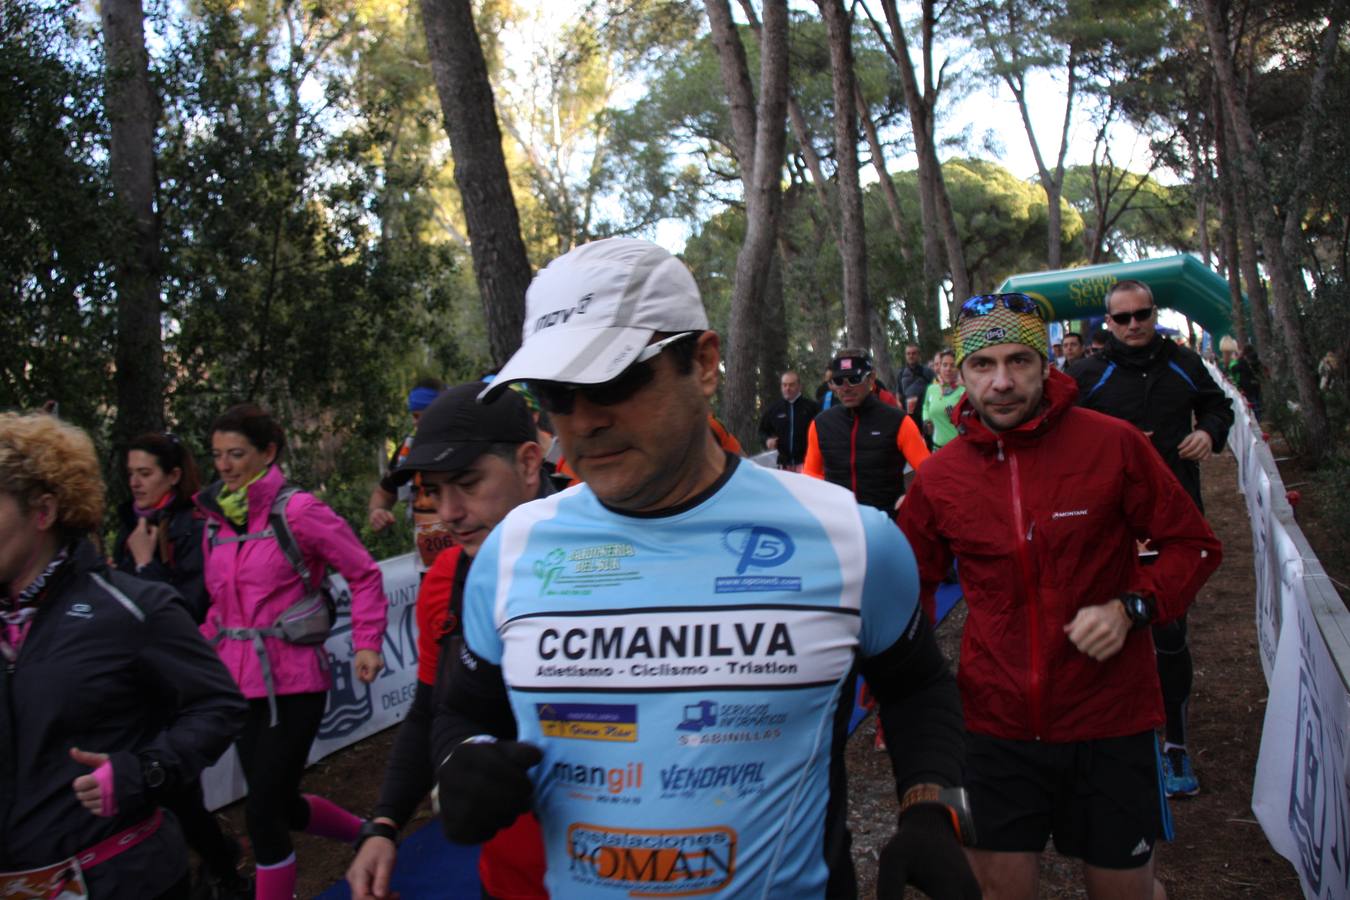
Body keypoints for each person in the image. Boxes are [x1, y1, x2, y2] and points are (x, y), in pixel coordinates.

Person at [430, 237, 977, 899]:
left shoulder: (851, 539)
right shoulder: (510, 552)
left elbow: (917, 686)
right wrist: (461, 763)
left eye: (613, 379)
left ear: (705, 362)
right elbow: (463, 710)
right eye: (555, 393)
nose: (584, 420)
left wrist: (930, 807)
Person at [897, 293, 1223, 900]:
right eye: (982, 365)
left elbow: (1194, 546)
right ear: (960, 373)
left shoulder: (1113, 444)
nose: (1001, 382)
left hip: (1110, 717)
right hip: (994, 725)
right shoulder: (941, 477)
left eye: (1019, 361)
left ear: (1046, 365)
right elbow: (908, 587)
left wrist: (1134, 607)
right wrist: (905, 694)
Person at [0, 412, 246, 900]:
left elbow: (219, 705)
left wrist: (146, 770)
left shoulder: (130, 608)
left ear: (43, 511)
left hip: (123, 879)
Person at [347, 383, 549, 900]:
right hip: (509, 879)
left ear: (529, 465)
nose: (449, 511)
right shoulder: (445, 579)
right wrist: (385, 823)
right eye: (434, 491)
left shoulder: (615, 556)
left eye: (467, 483)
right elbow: (430, 708)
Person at [197, 404, 389, 900]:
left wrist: (367, 642)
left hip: (295, 680)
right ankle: (366, 834)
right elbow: (220, 608)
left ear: (268, 453)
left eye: (236, 453)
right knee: (278, 802)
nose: (224, 465)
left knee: (261, 812)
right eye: (217, 455)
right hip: (237, 686)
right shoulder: (215, 522)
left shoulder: (299, 511)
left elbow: (364, 573)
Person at [1072, 280, 1234, 797]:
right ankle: (1110, 739)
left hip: (1171, 520)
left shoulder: (1184, 362)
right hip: (1105, 523)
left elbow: (1219, 406)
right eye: (1122, 318)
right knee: (1105, 628)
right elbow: (1056, 430)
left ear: (1154, 313)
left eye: (1142, 314)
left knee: (1167, 630)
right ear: (1108, 323)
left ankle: (1175, 745)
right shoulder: (1087, 374)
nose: (1134, 324)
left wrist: (1208, 432)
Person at [114, 432, 251, 898]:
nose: (135, 483)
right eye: (130, 474)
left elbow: (188, 608)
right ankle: (220, 863)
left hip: (179, 677)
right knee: (172, 793)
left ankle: (224, 870)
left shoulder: (193, 527)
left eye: (145, 473)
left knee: (175, 789)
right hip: (138, 678)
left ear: (173, 476)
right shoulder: (131, 523)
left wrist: (145, 566)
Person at [803, 348, 931, 514]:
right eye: (839, 381)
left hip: (886, 520)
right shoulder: (821, 424)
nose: (846, 388)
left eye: (854, 379)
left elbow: (929, 473)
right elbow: (811, 477)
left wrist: (912, 498)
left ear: (871, 378)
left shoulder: (898, 421)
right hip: (839, 521)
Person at [368, 379, 451, 573]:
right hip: (430, 568)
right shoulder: (407, 451)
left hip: (470, 561)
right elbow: (382, 494)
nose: (415, 423)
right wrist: (377, 511)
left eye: (419, 416)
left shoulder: (467, 445)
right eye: (413, 416)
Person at [758, 370, 820, 471]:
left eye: (791, 385)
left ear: (799, 386)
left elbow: (822, 432)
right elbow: (762, 431)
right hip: (783, 465)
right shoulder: (774, 409)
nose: (787, 388)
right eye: (784, 385)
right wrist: (767, 440)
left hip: (807, 463)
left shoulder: (812, 408)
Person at [921, 350, 965, 451]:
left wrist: (954, 415)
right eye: (945, 365)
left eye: (952, 365)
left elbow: (970, 424)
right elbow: (925, 406)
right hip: (937, 448)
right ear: (939, 368)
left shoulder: (963, 392)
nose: (948, 369)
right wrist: (926, 420)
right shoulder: (931, 389)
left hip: (958, 449)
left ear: (957, 369)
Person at [898, 343, 935, 422]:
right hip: (909, 416)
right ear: (905, 356)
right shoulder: (901, 374)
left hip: (925, 415)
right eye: (908, 354)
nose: (911, 356)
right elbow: (899, 393)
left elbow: (936, 391)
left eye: (913, 353)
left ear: (918, 355)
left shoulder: (928, 372)